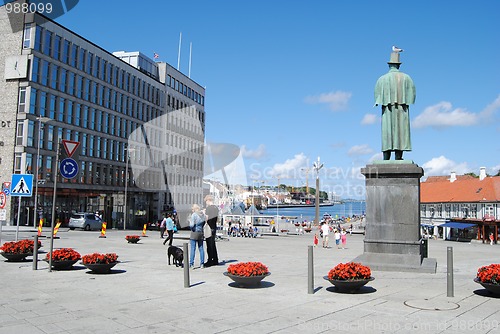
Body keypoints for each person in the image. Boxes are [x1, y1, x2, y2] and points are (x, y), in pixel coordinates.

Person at [204, 195, 219, 267]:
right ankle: (215, 259)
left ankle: (210, 260)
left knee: (209, 245)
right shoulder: (216, 208)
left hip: (209, 227)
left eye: (206, 201)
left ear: (208, 200)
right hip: (214, 227)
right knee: (213, 244)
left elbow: (206, 218)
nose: (206, 203)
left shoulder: (208, 208)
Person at [189, 204, 205, 269]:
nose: (192, 211)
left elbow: (192, 225)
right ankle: (202, 263)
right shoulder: (202, 215)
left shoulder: (194, 215)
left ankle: (191, 264)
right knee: (201, 248)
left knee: (193, 248)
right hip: (201, 232)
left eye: (192, 209)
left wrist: (190, 226)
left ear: (194, 209)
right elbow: (204, 223)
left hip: (194, 232)